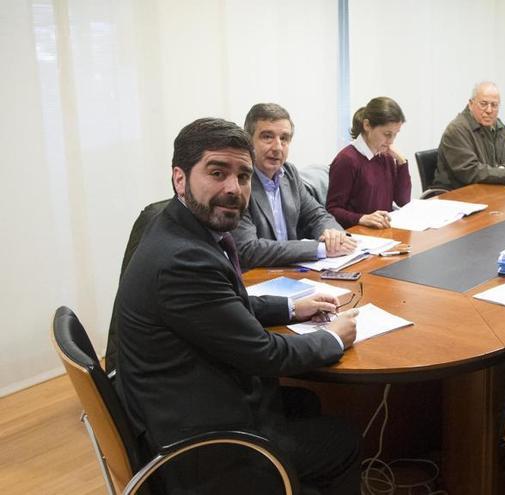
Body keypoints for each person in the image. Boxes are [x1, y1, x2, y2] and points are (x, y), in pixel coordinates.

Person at [114, 117, 361, 494]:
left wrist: (293, 308)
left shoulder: (175, 228)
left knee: (306, 401)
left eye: (243, 176)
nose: (233, 188)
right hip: (203, 447)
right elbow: (265, 354)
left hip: (179, 405)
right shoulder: (183, 261)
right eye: (217, 172)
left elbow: (224, 304)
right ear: (179, 178)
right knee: (342, 438)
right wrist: (332, 338)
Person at [231, 103, 355, 270]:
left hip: (292, 272)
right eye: (267, 137)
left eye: (284, 138)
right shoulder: (238, 182)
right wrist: (318, 249)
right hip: (256, 279)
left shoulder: (289, 174)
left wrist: (333, 233)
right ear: (248, 141)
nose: (277, 147)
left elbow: (317, 216)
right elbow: (248, 250)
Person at [433, 81, 505, 190]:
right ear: (471, 104)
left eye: (494, 105)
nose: (489, 110)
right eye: (483, 104)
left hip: (487, 189)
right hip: (455, 194)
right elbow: (470, 172)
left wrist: (502, 172)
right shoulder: (457, 130)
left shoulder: (498, 125)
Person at [326, 97, 411, 229]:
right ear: (367, 126)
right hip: (358, 234)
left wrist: (402, 163)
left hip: (382, 231)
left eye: (395, 134)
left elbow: (403, 201)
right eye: (387, 134)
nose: (391, 141)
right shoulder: (347, 160)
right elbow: (332, 210)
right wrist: (361, 218)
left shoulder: (386, 156)